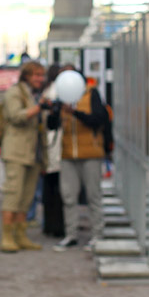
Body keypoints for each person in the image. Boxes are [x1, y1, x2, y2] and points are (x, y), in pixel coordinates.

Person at [52, 67, 109, 252]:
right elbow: (51, 125)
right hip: (68, 154)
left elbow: (99, 119)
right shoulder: (60, 98)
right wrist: (54, 111)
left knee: (93, 195)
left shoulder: (91, 95)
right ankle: (71, 235)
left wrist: (75, 112)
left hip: (91, 153)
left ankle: (97, 234)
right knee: (68, 196)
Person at [0, 61, 48, 252]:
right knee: (13, 194)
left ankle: (21, 235)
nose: (40, 79)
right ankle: (7, 236)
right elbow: (15, 116)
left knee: (26, 197)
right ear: (26, 75)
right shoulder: (15, 92)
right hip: (16, 152)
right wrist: (38, 108)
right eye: (36, 75)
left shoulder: (35, 94)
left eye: (41, 75)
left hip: (33, 153)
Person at [41, 64, 65, 237]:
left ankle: (51, 224)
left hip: (51, 145)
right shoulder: (54, 91)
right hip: (54, 145)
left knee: (50, 188)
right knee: (56, 189)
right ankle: (55, 225)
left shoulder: (47, 90)